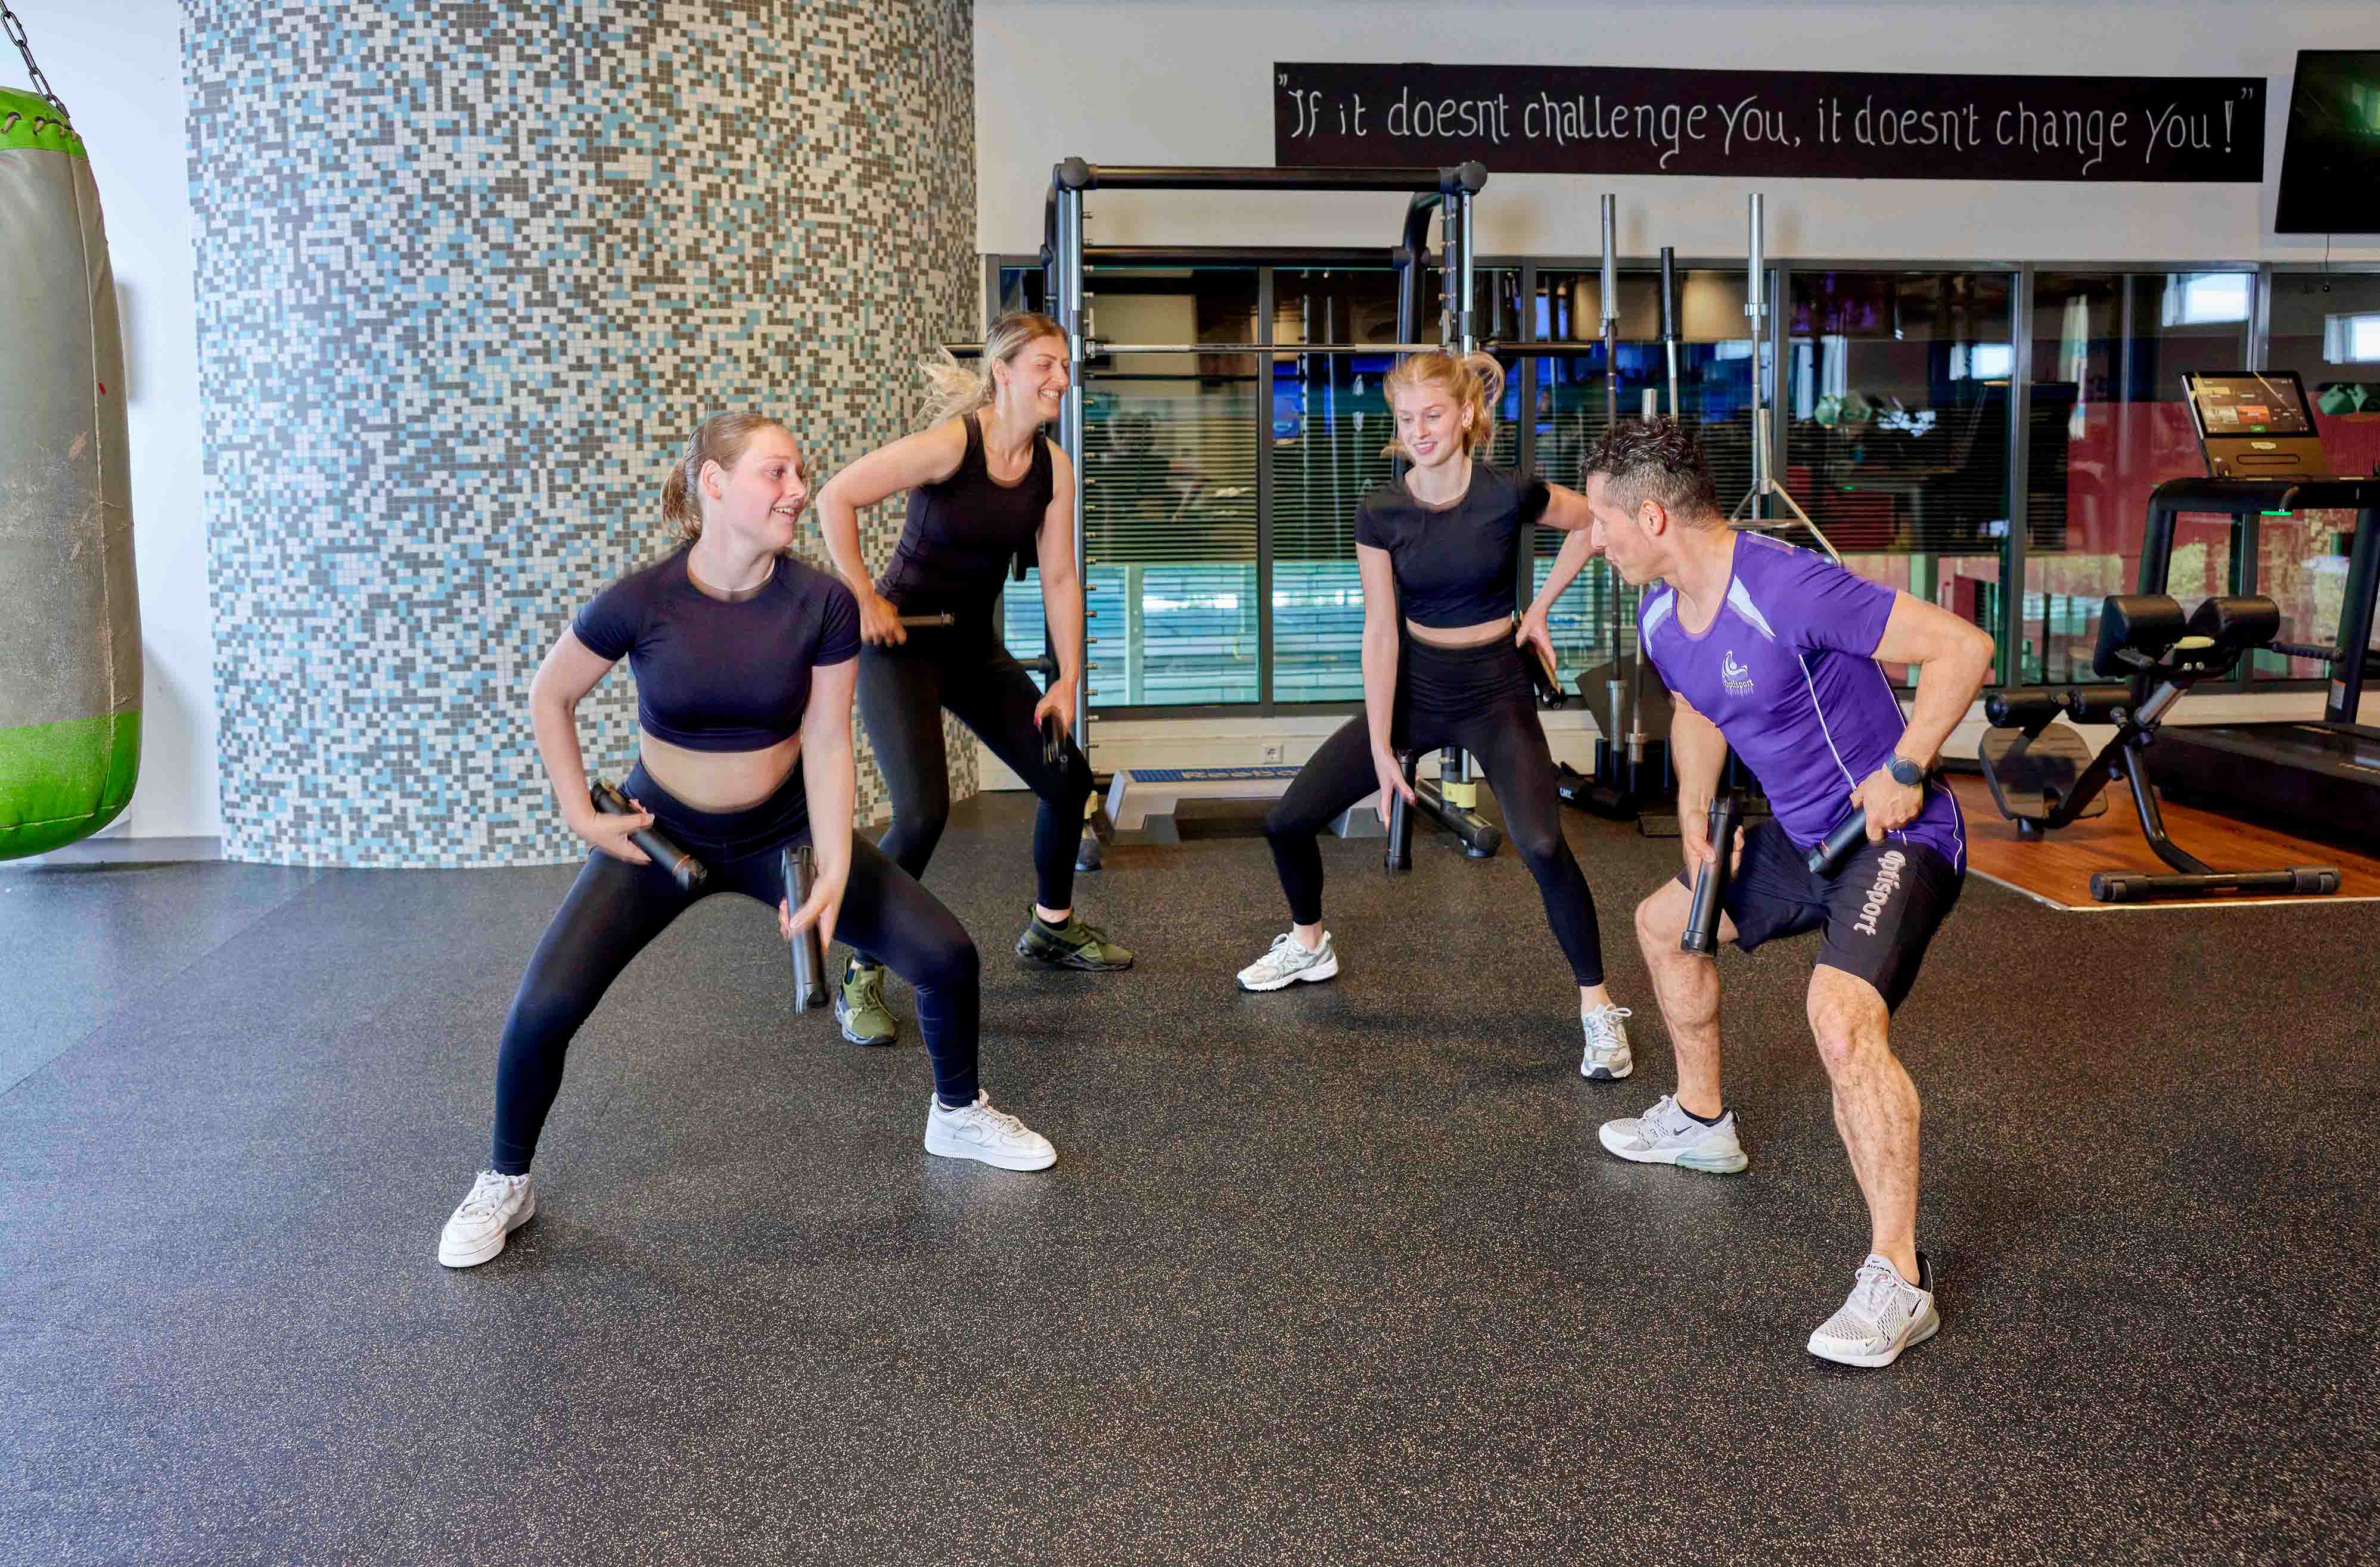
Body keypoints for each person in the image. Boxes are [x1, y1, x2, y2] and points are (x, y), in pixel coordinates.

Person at [437, 413, 1055, 1271]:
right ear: (715, 486)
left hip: (780, 833)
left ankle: (956, 1111)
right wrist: (581, 812)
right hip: (660, 836)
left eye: (800, 471)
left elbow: (829, 740)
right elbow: (552, 695)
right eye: (777, 473)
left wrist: (836, 859)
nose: (799, 489)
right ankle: (506, 1178)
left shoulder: (823, 603)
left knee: (947, 955)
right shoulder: (642, 600)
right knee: (542, 1007)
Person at [1582, 418, 1995, 1368]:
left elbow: (1961, 647)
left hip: (1894, 833)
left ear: (1650, 516)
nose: (1593, 540)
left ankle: (1898, 1276)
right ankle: (1699, 1121)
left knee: (1840, 1019)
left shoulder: (1784, 583)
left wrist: (1906, 762)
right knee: (1661, 924)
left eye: (1602, 523)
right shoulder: (1660, 615)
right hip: (1807, 838)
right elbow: (1696, 708)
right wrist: (1691, 799)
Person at [1234, 349, 1635, 1081]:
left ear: (1466, 414)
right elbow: (1381, 630)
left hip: (1495, 690)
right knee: (1286, 820)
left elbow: (1594, 521)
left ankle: (1597, 1007)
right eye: (1405, 418)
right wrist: (1384, 746)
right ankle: (1309, 941)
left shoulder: (1508, 493)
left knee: (1543, 845)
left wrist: (1540, 608)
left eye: (1432, 415)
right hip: (1418, 685)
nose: (1418, 430)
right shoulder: (1380, 509)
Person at [813, 312, 1130, 1049]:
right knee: (922, 813)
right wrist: (865, 596)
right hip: (899, 646)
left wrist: (1068, 678)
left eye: (1064, 365)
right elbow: (837, 496)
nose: (1060, 378)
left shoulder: (1053, 466)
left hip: (972, 647)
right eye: (1046, 364)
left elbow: (1058, 575)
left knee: (1065, 778)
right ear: (1005, 373)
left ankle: (1051, 928)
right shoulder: (952, 444)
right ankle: (862, 971)